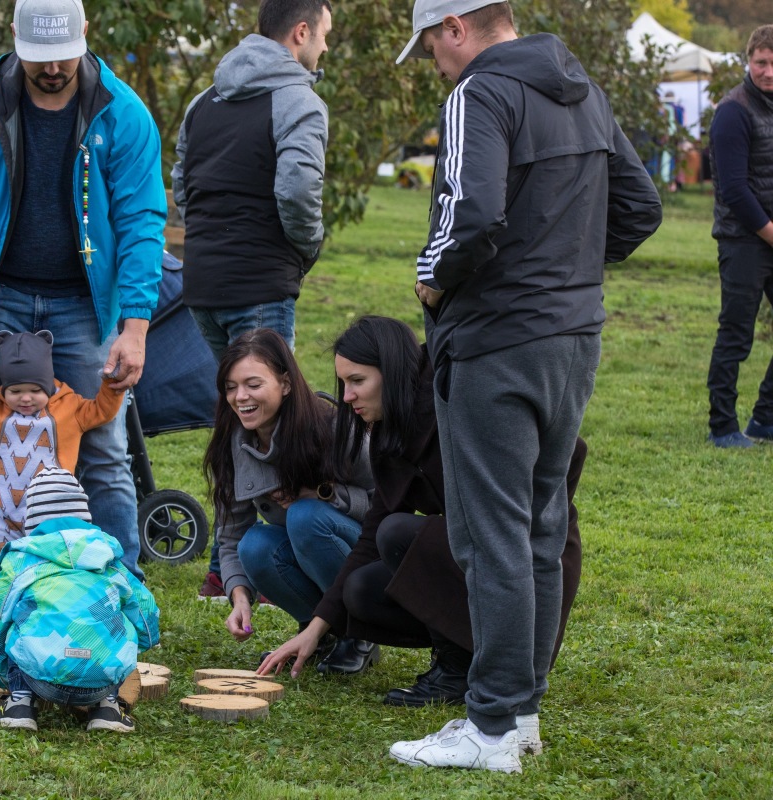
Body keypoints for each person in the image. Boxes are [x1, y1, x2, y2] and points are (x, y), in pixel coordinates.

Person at [392, 0, 661, 774]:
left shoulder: (479, 92)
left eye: (431, 47)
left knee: (492, 535)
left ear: (456, 27)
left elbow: (471, 217)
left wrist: (435, 279)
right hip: (572, 339)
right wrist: (561, 274)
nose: (435, 64)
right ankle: (520, 716)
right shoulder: (583, 88)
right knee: (541, 525)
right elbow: (639, 206)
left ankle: (490, 725)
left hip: (498, 343)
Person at [0, 0, 166, 634]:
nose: (53, 69)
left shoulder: (123, 114)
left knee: (104, 449)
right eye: (39, 59)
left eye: (63, 56)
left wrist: (134, 324)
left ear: (86, 34)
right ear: (14, 39)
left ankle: (118, 587)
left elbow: (142, 220)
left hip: (85, 305)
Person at [259, 317, 585, 732]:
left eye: (357, 381)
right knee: (362, 589)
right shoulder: (389, 431)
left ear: (392, 372)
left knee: (399, 534)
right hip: (473, 560)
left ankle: (458, 669)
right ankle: (464, 659)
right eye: (343, 383)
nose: (348, 396)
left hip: (528, 565)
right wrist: (319, 626)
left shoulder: (455, 397)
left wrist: (513, 530)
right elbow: (370, 534)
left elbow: (571, 450)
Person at [171, 0, 332, 603]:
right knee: (271, 412)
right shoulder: (298, 101)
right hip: (260, 280)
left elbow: (183, 186)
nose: (325, 48)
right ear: (300, 32)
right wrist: (304, 248)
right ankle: (254, 561)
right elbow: (298, 189)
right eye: (324, 35)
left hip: (203, 283)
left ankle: (223, 566)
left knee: (235, 409)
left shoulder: (203, 102)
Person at [204, 328, 379, 674]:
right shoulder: (233, 441)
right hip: (308, 547)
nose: (240, 397)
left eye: (253, 384)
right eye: (231, 387)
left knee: (304, 516)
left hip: (366, 559)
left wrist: (325, 494)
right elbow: (231, 535)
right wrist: (239, 596)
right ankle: (318, 631)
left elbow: (385, 503)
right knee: (254, 544)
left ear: (285, 384)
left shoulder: (332, 426)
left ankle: (359, 632)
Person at [0, 467, 160, 733]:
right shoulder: (108, 558)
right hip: (101, 680)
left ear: (32, 521)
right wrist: (143, 642)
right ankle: (107, 708)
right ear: (85, 517)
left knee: (22, 621)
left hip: (39, 676)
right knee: (111, 628)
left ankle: (20, 704)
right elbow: (145, 609)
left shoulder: (21, 560)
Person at [0, 329, 124, 555]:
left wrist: (111, 384)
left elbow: (102, 411)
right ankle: (4, 578)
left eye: (35, 390)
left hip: (51, 507)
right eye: (15, 391)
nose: (25, 398)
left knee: (50, 554)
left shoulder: (69, 408)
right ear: (4, 388)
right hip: (2, 510)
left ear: (48, 386)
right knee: (3, 557)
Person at [706, 25, 773, 449]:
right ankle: (722, 425)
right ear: (748, 61)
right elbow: (733, 189)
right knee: (736, 333)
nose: (769, 72)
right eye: (761, 62)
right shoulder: (734, 111)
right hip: (743, 240)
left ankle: (765, 418)